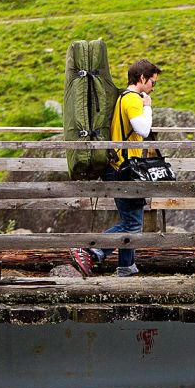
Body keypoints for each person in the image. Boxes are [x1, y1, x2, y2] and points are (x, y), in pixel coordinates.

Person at [71, 59, 161, 278]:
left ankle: (126, 268)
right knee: (132, 223)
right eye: (152, 83)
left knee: (131, 221)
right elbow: (143, 128)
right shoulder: (132, 99)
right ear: (142, 78)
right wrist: (147, 106)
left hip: (119, 166)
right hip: (125, 167)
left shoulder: (123, 97)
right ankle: (91, 251)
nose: (152, 88)